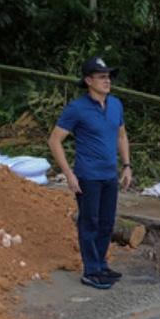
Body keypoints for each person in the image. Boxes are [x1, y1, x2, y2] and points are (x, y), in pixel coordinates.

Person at [48, 56, 132, 290]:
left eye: (109, 77)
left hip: (109, 175)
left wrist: (127, 166)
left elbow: (121, 135)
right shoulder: (77, 108)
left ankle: (101, 264)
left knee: (106, 223)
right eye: (101, 77)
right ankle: (91, 270)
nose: (107, 81)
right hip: (87, 175)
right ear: (88, 80)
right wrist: (69, 174)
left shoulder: (115, 104)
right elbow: (55, 140)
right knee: (90, 222)